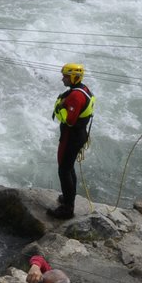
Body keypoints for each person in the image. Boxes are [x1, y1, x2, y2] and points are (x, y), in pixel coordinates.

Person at [50, 64, 95, 221]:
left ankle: (68, 208)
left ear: (74, 77)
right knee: (69, 168)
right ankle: (70, 197)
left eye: (66, 76)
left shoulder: (76, 96)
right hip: (78, 135)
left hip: (71, 136)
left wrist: (59, 108)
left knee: (64, 170)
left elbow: (69, 121)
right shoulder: (83, 89)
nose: (63, 78)